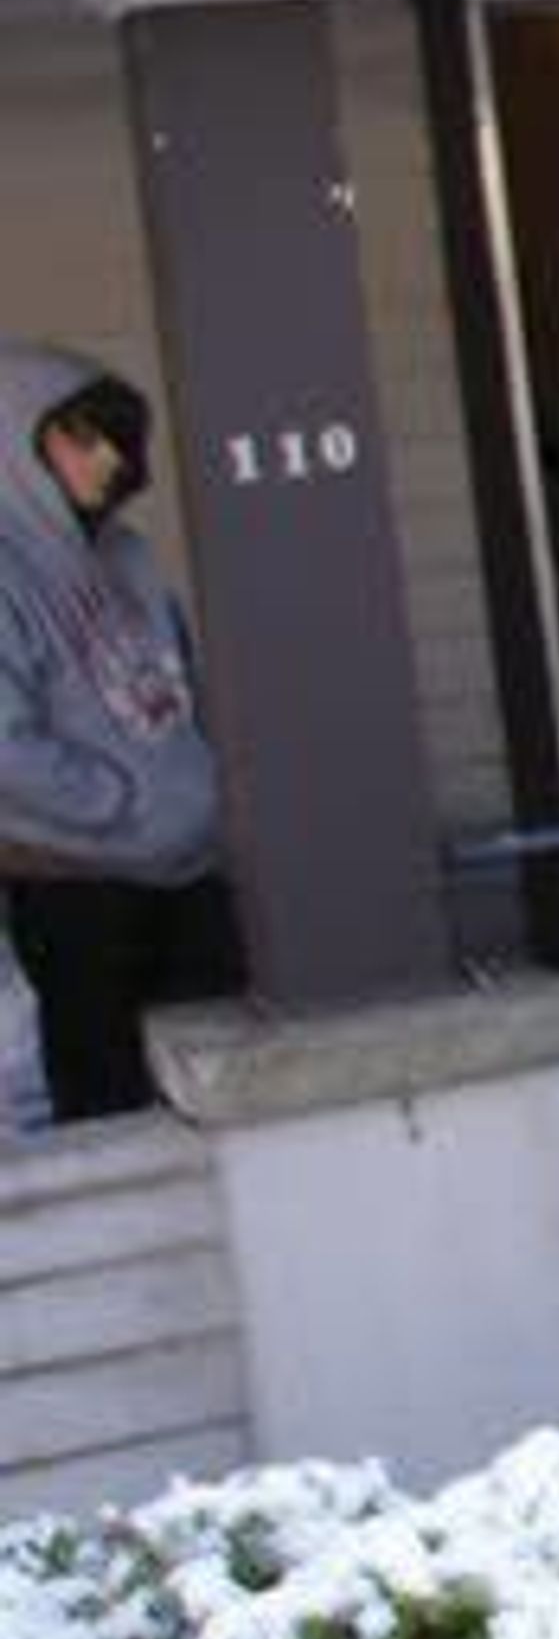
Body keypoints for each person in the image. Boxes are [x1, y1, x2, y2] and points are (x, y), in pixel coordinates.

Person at [0, 346, 234, 1126]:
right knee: (113, 1114)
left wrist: (198, 790)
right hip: (77, 892)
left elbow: (184, 688)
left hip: (191, 873)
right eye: (78, 434)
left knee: (224, 1100)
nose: (106, 455)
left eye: (112, 433)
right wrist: (122, 803)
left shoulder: (126, 554)